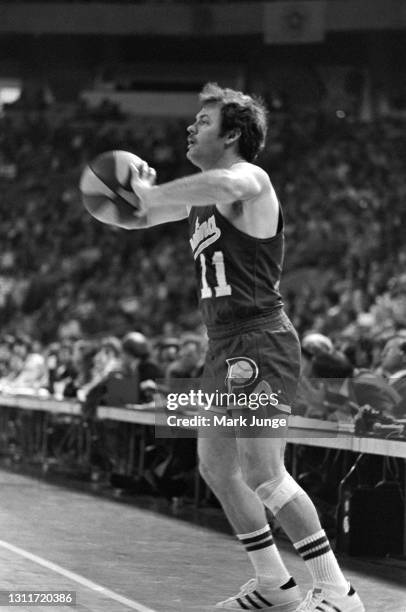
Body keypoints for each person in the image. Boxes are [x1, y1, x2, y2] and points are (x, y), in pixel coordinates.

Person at [106, 83, 365, 611]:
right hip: (224, 344)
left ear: (231, 134)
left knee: (265, 474)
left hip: (260, 340)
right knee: (217, 468)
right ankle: (275, 585)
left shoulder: (250, 178)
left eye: (202, 121)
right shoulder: (201, 202)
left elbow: (227, 181)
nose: (190, 127)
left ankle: (339, 591)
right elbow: (134, 217)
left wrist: (155, 194)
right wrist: (117, 194)